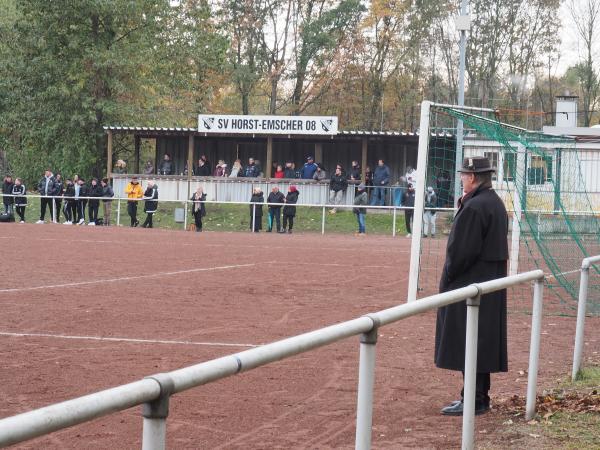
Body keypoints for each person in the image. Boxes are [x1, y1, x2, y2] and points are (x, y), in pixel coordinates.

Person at [435, 156, 508, 417]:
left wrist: (449, 276)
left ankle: (474, 399)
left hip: (471, 284)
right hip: (488, 283)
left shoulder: (476, 207)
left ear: (473, 178)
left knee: (470, 342)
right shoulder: (494, 203)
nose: (462, 178)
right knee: (479, 343)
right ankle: (477, 397)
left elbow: (460, 253)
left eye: (464, 175)